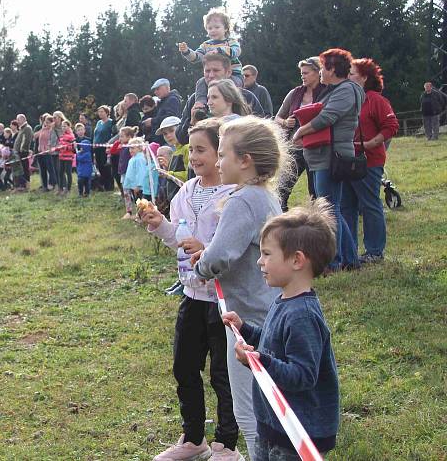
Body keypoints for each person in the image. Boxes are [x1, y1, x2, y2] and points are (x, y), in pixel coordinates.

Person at [189, 116, 287, 459]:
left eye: (224, 155)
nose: (218, 162)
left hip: (246, 319)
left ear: (244, 160)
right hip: (268, 310)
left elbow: (220, 257)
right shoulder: (264, 196)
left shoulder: (242, 200)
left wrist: (201, 264)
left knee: (248, 408)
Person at [143, 118, 240, 461]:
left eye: (201, 150)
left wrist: (207, 247)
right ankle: (193, 438)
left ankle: (226, 444)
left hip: (222, 299)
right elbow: (180, 241)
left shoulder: (234, 195)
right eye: (191, 150)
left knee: (223, 374)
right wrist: (161, 226)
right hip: (192, 295)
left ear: (221, 153)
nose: (194, 157)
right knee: (185, 366)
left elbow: (234, 247)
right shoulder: (186, 191)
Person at [222, 199, 340, 460]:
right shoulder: (285, 299)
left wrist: (259, 362)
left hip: (298, 434)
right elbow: (273, 342)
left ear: (297, 260)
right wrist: (246, 331)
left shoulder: (303, 316)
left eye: (266, 254)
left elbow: (302, 375)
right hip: (273, 425)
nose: (259, 262)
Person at [292, 48, 365, 271]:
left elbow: (328, 116)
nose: (321, 72)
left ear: (332, 69)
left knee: (328, 210)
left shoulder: (345, 90)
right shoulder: (335, 90)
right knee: (331, 208)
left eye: (323, 67)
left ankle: (332, 262)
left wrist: (300, 131)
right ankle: (349, 260)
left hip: (331, 157)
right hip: (320, 156)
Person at [343, 58, 399, 264]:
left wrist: (372, 143)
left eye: (352, 74)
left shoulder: (374, 99)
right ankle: (349, 251)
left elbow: (391, 125)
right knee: (346, 206)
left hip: (369, 161)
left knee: (369, 204)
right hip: (346, 160)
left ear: (364, 78)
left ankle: (375, 251)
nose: (347, 77)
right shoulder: (347, 97)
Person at [179, 53, 266, 144]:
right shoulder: (194, 99)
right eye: (207, 71)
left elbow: (261, 132)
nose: (211, 75)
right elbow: (181, 139)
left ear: (228, 72)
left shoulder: (247, 97)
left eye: (216, 70)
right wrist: (192, 122)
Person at [275, 57, 325, 212]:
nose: (302, 76)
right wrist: (285, 123)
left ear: (318, 73)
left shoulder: (327, 92)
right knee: (283, 186)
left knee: (315, 190)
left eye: (306, 73)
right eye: (301, 73)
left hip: (318, 148)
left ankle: (318, 222)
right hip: (294, 147)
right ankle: (280, 215)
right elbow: (277, 117)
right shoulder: (295, 93)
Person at [179, 7, 244, 109]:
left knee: (229, 85)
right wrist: (186, 51)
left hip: (234, 75)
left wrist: (220, 50)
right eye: (210, 28)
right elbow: (196, 57)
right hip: (213, 77)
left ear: (225, 28)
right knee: (201, 82)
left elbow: (236, 52)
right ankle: (201, 104)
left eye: (217, 27)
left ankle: (232, 105)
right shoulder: (206, 45)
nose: (213, 30)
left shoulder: (230, 42)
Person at [155, 116, 189, 200]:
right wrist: (167, 169)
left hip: (185, 198)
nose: (168, 135)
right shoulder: (175, 151)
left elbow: (190, 176)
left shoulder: (187, 148)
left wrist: (169, 174)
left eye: (171, 131)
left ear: (181, 129)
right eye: (165, 133)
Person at [147, 79, 183, 144]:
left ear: (167, 87)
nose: (155, 92)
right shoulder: (165, 101)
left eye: (158, 89)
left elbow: (171, 118)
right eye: (155, 90)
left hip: (168, 142)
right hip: (164, 140)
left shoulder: (172, 100)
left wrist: (152, 121)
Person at [123, 137, 158, 202]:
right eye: (129, 148)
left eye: (133, 148)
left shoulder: (139, 159)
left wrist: (138, 186)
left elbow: (141, 172)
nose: (130, 150)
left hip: (139, 187)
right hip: (133, 185)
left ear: (140, 148)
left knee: (141, 203)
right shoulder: (133, 158)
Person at [116, 126, 137, 218]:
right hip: (124, 173)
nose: (120, 138)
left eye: (122, 136)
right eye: (119, 136)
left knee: (135, 192)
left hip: (132, 174)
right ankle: (128, 211)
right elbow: (113, 150)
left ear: (129, 137)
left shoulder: (132, 147)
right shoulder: (122, 146)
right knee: (126, 193)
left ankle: (139, 210)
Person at [93, 106, 115, 190]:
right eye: (99, 112)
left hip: (105, 147)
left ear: (106, 112)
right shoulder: (99, 122)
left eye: (102, 112)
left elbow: (112, 133)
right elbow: (95, 134)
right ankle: (103, 184)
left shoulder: (110, 122)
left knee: (106, 166)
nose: (100, 113)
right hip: (97, 147)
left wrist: (109, 143)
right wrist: (94, 143)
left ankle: (109, 185)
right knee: (99, 165)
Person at [13, 114, 33, 191]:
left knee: (25, 169)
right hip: (18, 152)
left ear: (22, 119)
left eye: (18, 120)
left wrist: (22, 150)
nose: (17, 121)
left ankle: (26, 186)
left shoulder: (27, 128)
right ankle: (21, 185)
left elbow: (26, 140)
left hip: (22, 152)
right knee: (21, 169)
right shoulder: (22, 128)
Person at [74, 123, 93, 197]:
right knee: (82, 179)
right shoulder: (75, 140)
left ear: (84, 130)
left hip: (86, 164)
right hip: (79, 164)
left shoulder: (88, 140)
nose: (80, 131)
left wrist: (77, 150)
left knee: (86, 180)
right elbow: (74, 153)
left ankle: (86, 192)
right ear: (76, 132)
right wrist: (74, 147)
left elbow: (91, 150)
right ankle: (83, 192)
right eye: (78, 130)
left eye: (81, 129)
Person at [57, 120, 76, 195]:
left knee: (68, 172)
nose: (63, 127)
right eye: (62, 126)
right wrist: (58, 148)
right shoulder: (61, 136)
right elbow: (59, 145)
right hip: (61, 157)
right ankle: (61, 188)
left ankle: (68, 189)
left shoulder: (71, 136)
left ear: (69, 126)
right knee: (60, 172)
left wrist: (66, 147)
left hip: (68, 157)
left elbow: (73, 147)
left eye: (65, 126)